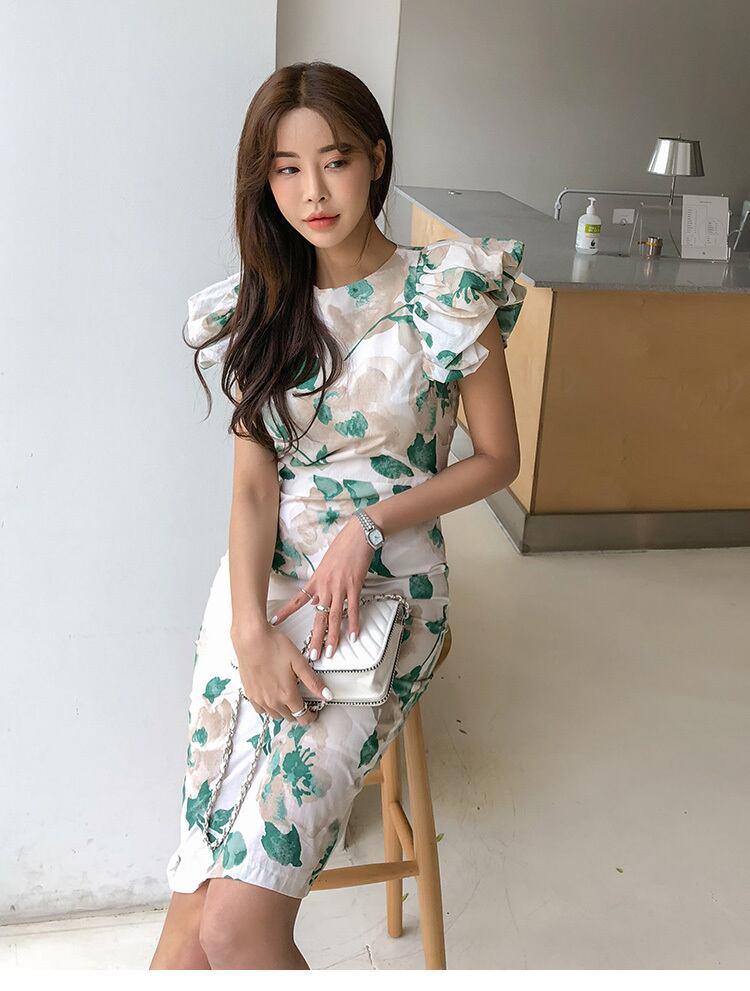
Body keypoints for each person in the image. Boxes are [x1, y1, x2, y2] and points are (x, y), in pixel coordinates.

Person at [150, 60, 526, 970]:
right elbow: (253, 490)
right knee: (189, 918)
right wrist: (248, 630)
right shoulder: (257, 307)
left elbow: (498, 458)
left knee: (234, 927)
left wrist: (371, 523)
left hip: (386, 592)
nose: (312, 193)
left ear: (376, 160)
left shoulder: (444, 292)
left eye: (335, 161)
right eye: (286, 169)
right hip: (261, 593)